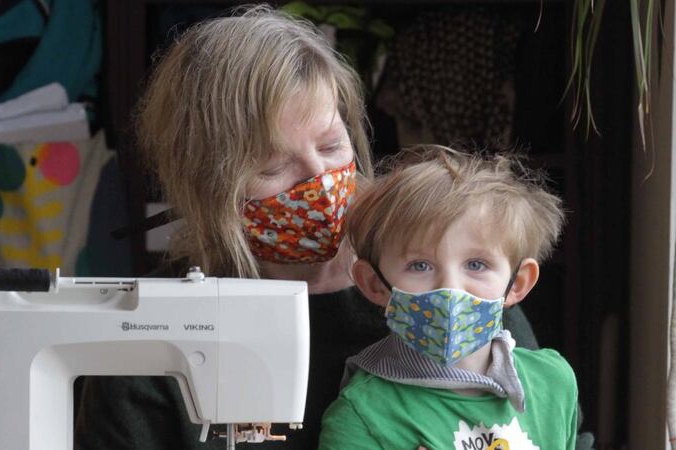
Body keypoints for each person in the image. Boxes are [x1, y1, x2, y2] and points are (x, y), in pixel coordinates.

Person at [74, 6, 550, 450]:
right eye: (273, 166)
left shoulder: (446, 283)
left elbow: (546, 424)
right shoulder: (153, 333)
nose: (318, 181)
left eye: (330, 145)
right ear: (206, 186)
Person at [318, 146, 578, 449]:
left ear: (517, 283)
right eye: (420, 265)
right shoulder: (362, 416)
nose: (450, 288)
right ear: (375, 284)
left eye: (476, 264)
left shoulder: (553, 382)